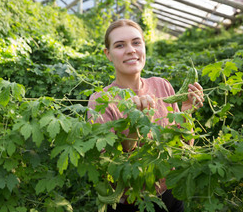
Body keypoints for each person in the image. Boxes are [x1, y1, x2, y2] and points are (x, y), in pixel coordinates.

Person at [87, 19, 204, 211]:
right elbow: (109, 170)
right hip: (131, 203)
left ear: (144, 47)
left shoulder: (162, 85)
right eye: (120, 45)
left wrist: (186, 113)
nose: (131, 50)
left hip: (170, 195)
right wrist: (134, 128)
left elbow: (182, 148)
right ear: (108, 54)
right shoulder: (100, 101)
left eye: (136, 42)